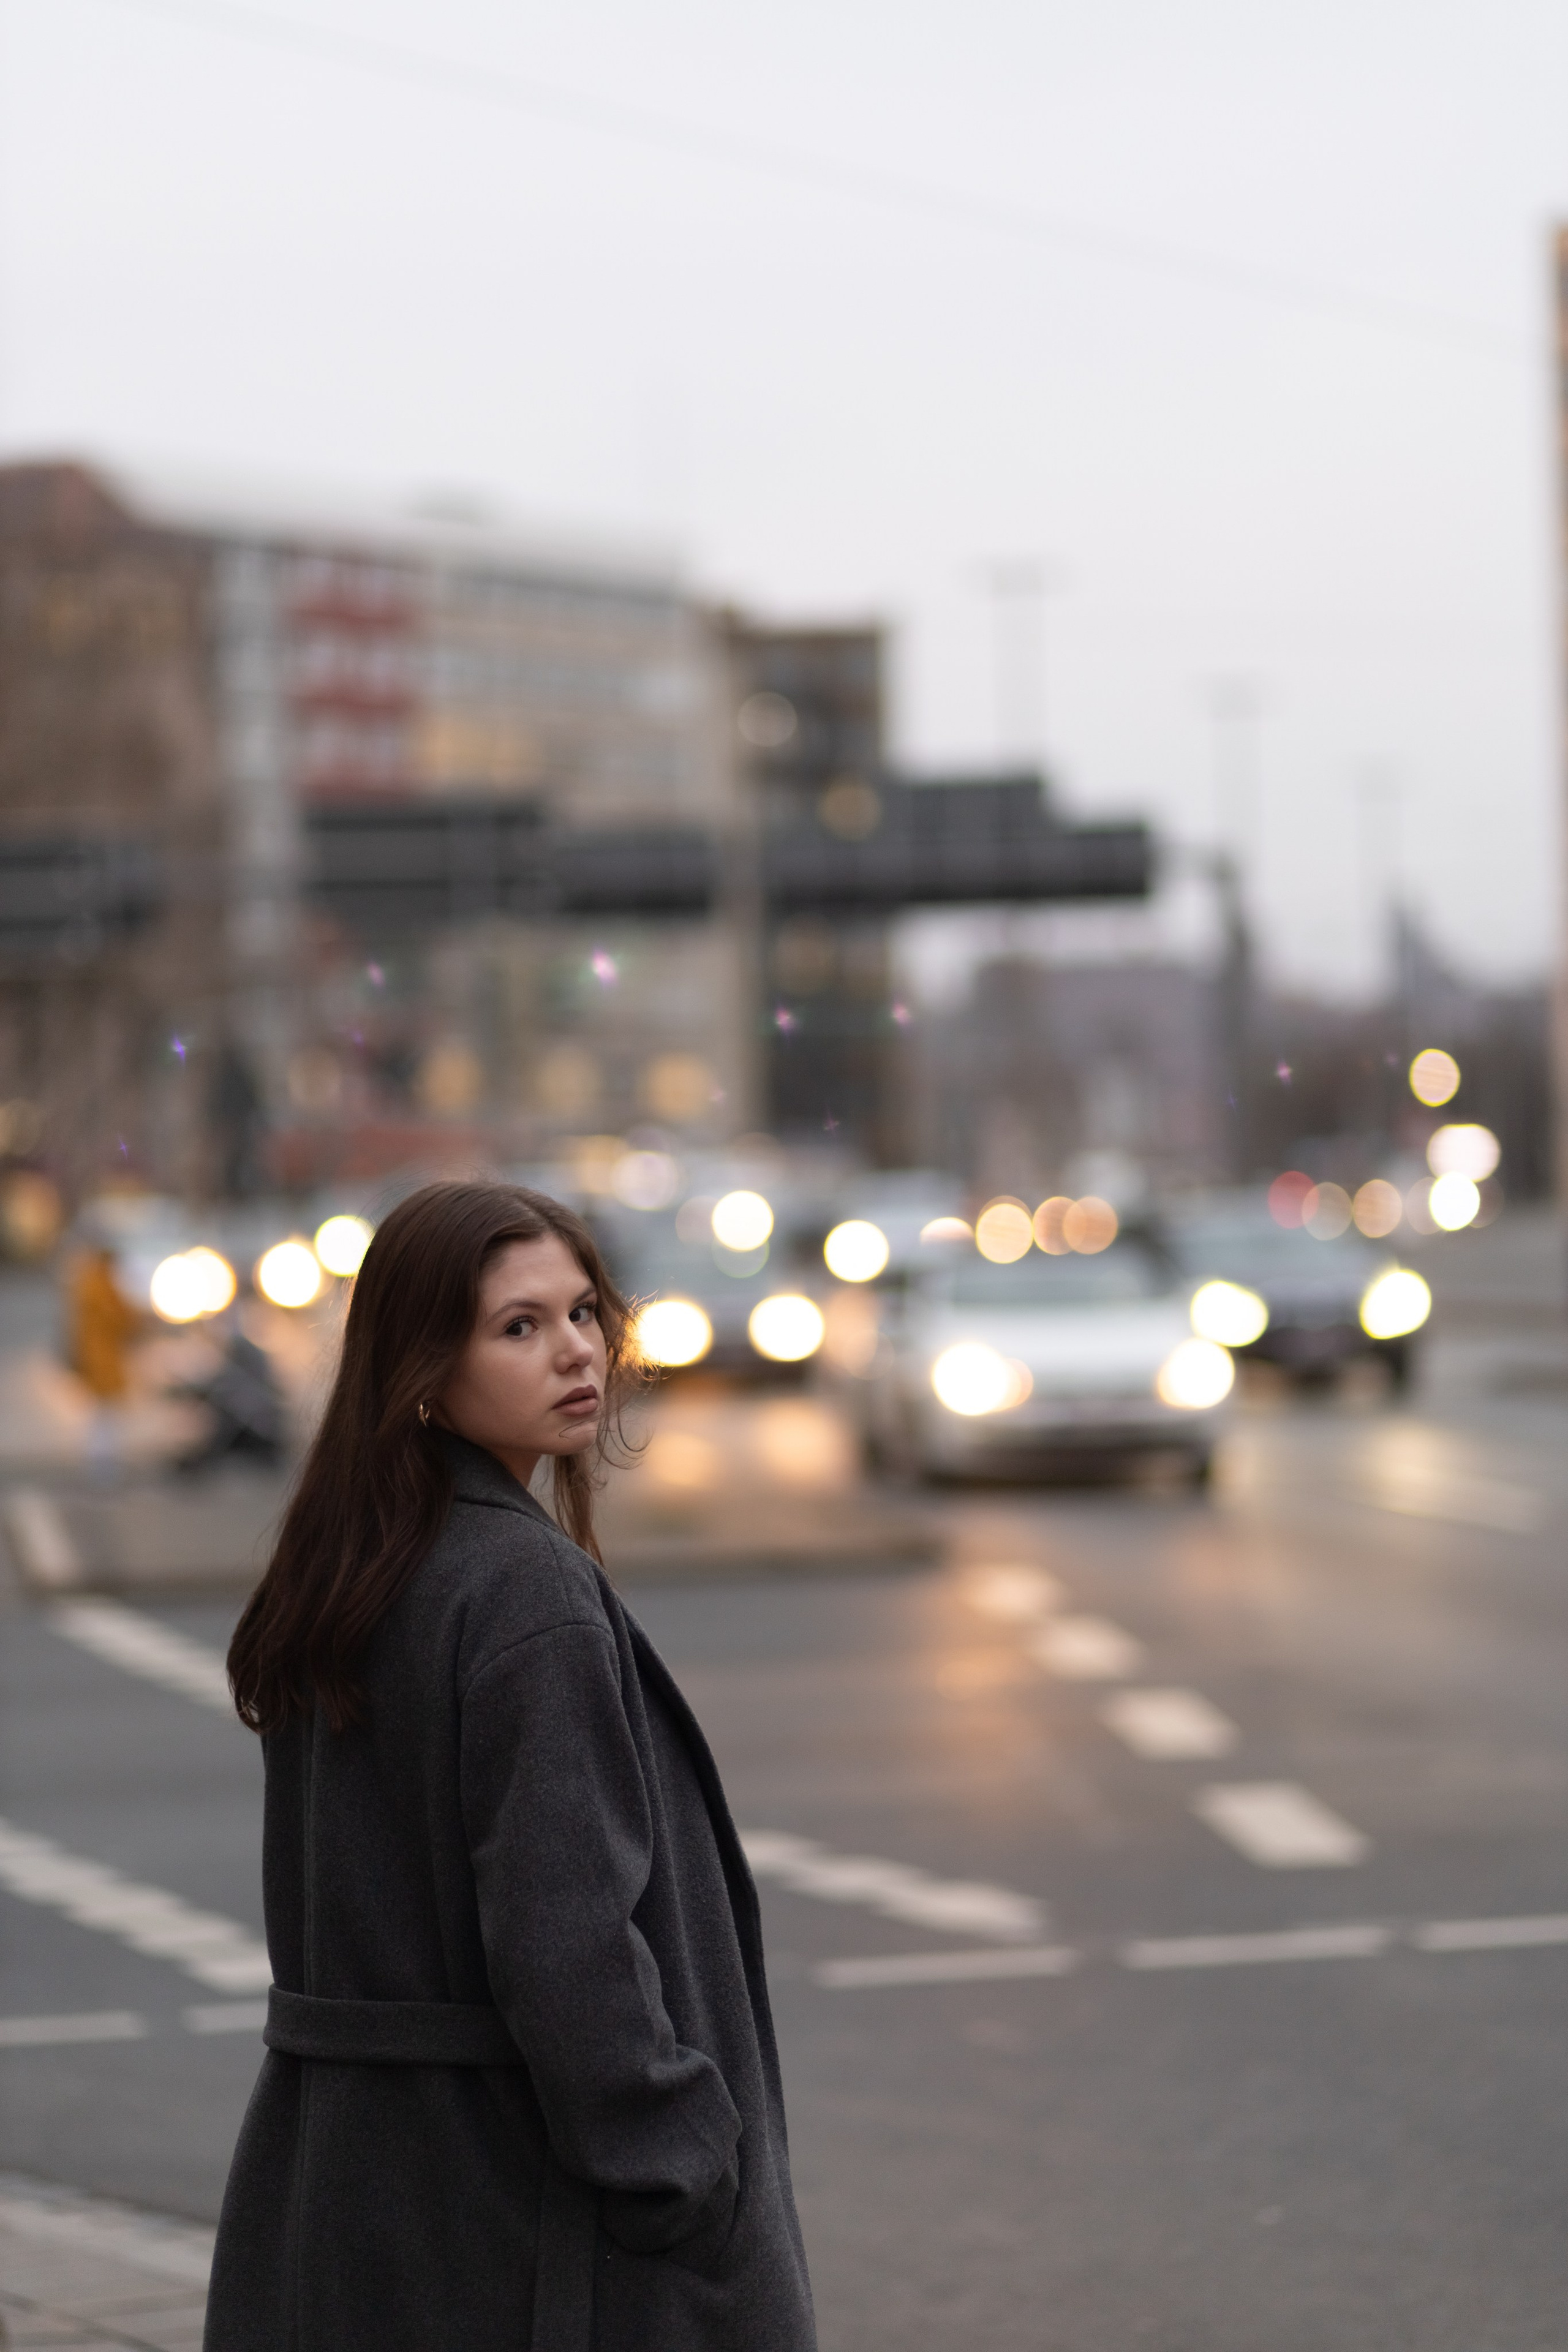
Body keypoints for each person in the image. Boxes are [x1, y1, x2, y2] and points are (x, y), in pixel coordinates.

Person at [207, 1181, 816, 2352]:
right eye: (518, 1327)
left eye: (585, 1312)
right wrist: (681, 2153)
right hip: (517, 2222)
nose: (577, 1353)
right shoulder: (523, 1593)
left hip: (351, 2188)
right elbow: (563, 1936)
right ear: (422, 1368)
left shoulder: (355, 1564)